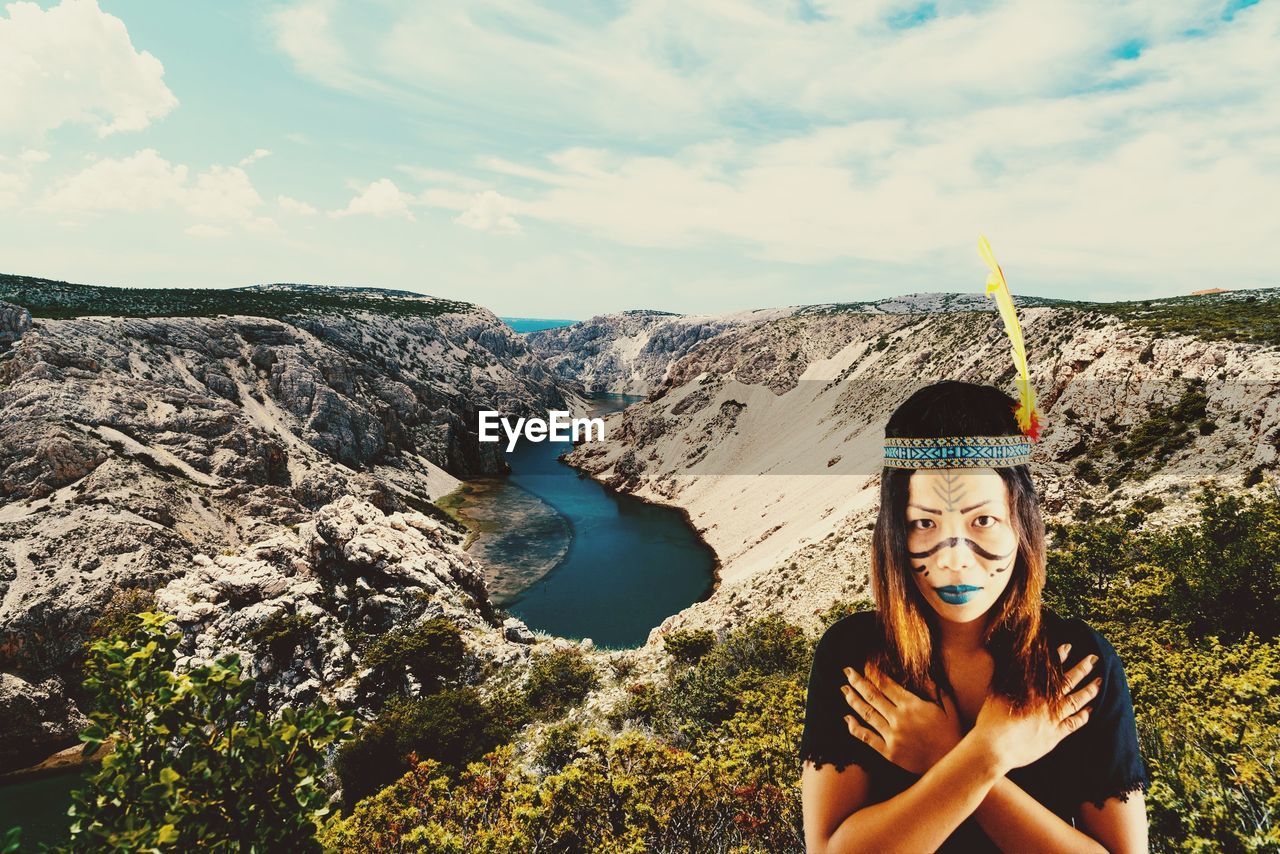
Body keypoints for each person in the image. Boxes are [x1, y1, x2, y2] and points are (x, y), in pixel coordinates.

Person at [799, 380, 1149, 852]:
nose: (954, 560)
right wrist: (987, 754)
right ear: (894, 532)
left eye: (982, 521)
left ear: (1020, 522)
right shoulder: (854, 654)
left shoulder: (1078, 662)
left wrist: (950, 756)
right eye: (924, 524)